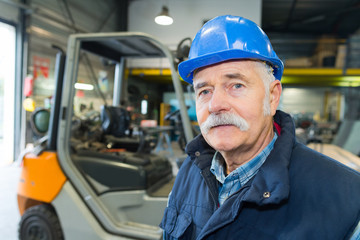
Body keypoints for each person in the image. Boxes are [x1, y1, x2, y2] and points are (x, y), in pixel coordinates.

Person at [159, 15, 360, 240]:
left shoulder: (347, 197)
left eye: (236, 85)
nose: (215, 105)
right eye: (204, 91)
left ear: (272, 97)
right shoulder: (189, 170)